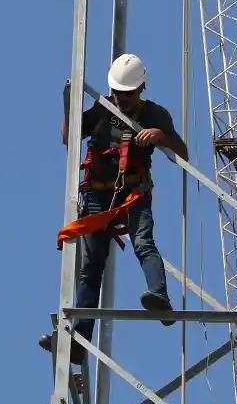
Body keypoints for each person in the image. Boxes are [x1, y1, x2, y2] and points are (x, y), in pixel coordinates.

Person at [41, 53, 189, 364]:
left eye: (128, 94)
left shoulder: (155, 114)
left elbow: (183, 154)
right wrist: (68, 105)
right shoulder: (103, 109)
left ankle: (160, 298)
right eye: (118, 93)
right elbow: (69, 138)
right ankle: (79, 343)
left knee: (143, 244)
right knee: (90, 267)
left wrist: (161, 137)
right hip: (96, 197)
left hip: (132, 195)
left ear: (141, 89)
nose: (122, 99)